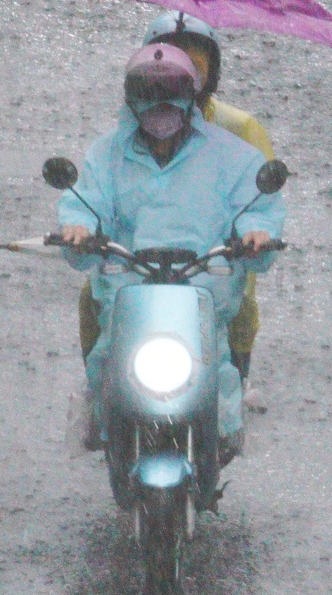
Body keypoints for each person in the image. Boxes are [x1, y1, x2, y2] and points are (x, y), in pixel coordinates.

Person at [59, 43, 285, 463]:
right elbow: (84, 202)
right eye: (149, 96)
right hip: (129, 290)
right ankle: (107, 428)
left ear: (190, 97)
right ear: (131, 100)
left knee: (214, 366)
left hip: (201, 290)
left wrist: (256, 233)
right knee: (107, 358)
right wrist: (79, 229)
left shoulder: (232, 156)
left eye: (170, 95)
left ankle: (222, 435)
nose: (160, 107)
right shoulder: (106, 156)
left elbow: (257, 208)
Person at [78, 11, 274, 386]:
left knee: (236, 317)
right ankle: (101, 397)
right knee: (95, 298)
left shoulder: (237, 134)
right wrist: (83, 232)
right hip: (139, 269)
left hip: (211, 268)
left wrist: (253, 236)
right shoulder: (122, 141)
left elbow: (258, 198)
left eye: (195, 68)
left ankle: (226, 410)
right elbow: (96, 196)